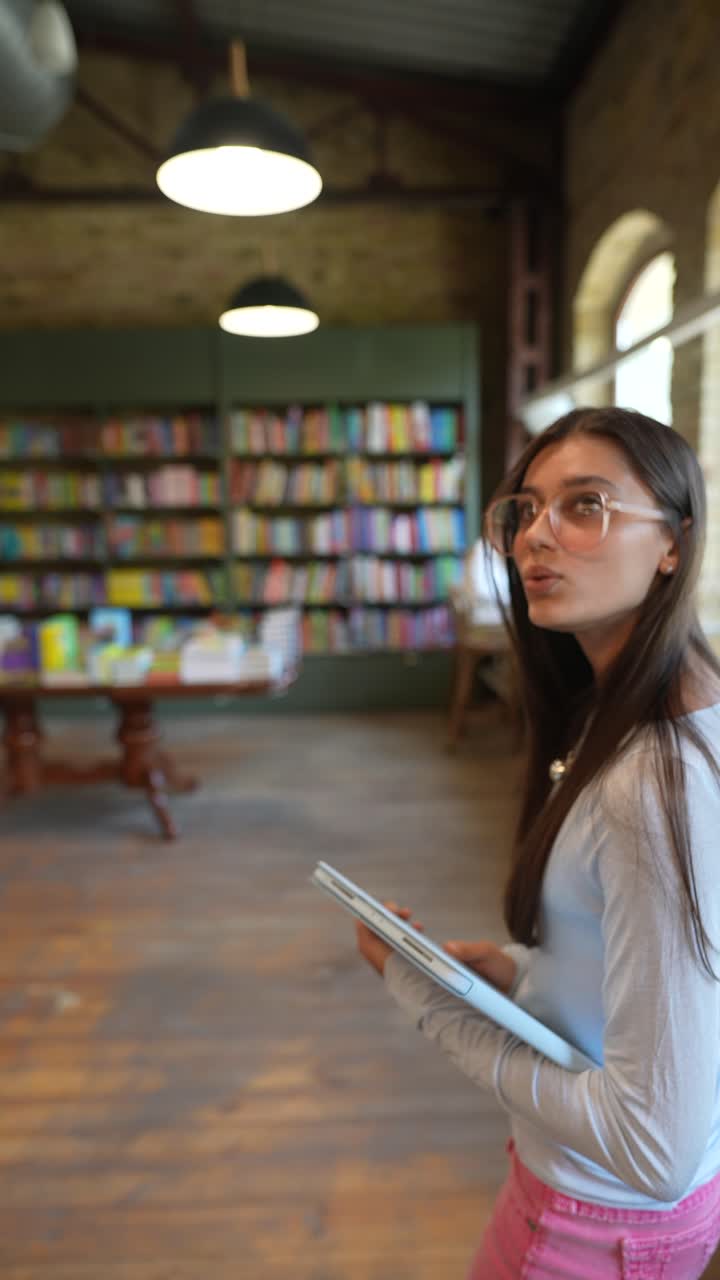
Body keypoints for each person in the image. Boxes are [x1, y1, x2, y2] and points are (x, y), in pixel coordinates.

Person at [355, 407, 720, 1278]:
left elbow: (652, 1146)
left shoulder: (655, 783)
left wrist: (437, 1007)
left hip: (595, 1223)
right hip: (608, 1209)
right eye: (524, 510)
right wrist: (525, 977)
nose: (533, 538)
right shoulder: (653, 710)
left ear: (673, 544)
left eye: (585, 505)